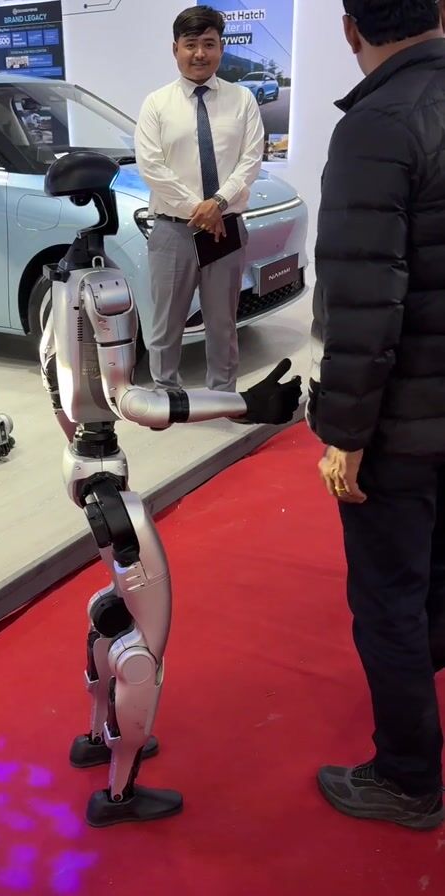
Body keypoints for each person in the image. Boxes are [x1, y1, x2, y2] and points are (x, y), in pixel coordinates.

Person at [308, 0, 445, 830]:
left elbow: (364, 303)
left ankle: (408, 777)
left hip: (404, 424)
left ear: (351, 29)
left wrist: (344, 437)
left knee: (390, 597)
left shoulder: (376, 126)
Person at [134, 6, 264, 393]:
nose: (199, 53)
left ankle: (222, 395)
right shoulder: (156, 103)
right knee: (166, 323)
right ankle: (165, 395)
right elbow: (151, 166)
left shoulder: (243, 100)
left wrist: (218, 203)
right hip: (173, 231)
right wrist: (200, 209)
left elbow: (250, 160)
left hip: (225, 229)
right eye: (191, 44)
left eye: (209, 44)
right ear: (175, 48)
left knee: (223, 323)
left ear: (221, 48)